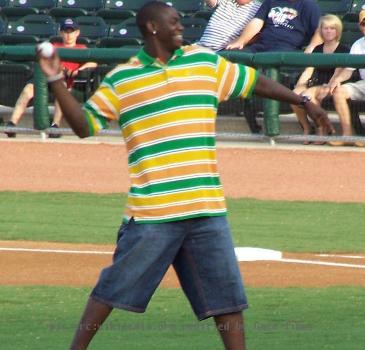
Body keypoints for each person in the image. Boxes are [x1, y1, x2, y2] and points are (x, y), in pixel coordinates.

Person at [37, 2, 332, 349]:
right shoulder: (123, 79)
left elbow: (255, 82)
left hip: (206, 209)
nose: (181, 27)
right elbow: (85, 126)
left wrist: (301, 99)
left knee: (228, 303)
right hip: (153, 213)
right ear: (152, 28)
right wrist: (56, 80)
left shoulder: (204, 62)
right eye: (173, 22)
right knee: (111, 291)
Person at [5, 18, 97, 138]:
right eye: (65, 31)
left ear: (77, 33)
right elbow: (43, 58)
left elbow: (93, 62)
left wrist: (77, 70)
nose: (68, 35)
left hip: (63, 82)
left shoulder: (81, 48)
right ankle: (12, 124)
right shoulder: (53, 46)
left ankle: (55, 126)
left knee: (62, 89)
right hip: (45, 79)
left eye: (71, 31)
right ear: (61, 33)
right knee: (28, 90)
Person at [291, 14, 349, 144]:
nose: (328, 31)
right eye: (325, 28)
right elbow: (309, 70)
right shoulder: (317, 49)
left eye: (332, 28)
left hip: (333, 84)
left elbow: (338, 72)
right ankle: (307, 128)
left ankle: (322, 128)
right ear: (321, 30)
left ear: (338, 30)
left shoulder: (343, 49)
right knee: (294, 95)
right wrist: (300, 84)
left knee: (308, 96)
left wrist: (328, 87)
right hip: (316, 82)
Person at [327, 9, 365, 147]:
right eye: (363, 24)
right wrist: (337, 80)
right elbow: (348, 71)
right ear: (360, 26)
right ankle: (347, 135)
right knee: (339, 91)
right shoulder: (358, 44)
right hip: (363, 84)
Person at [226, 0, 322, 53]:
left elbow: (319, 30)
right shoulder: (271, 1)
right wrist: (241, 41)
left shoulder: (310, 6)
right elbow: (257, 21)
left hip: (287, 49)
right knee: (233, 55)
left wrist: (311, 46)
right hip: (261, 45)